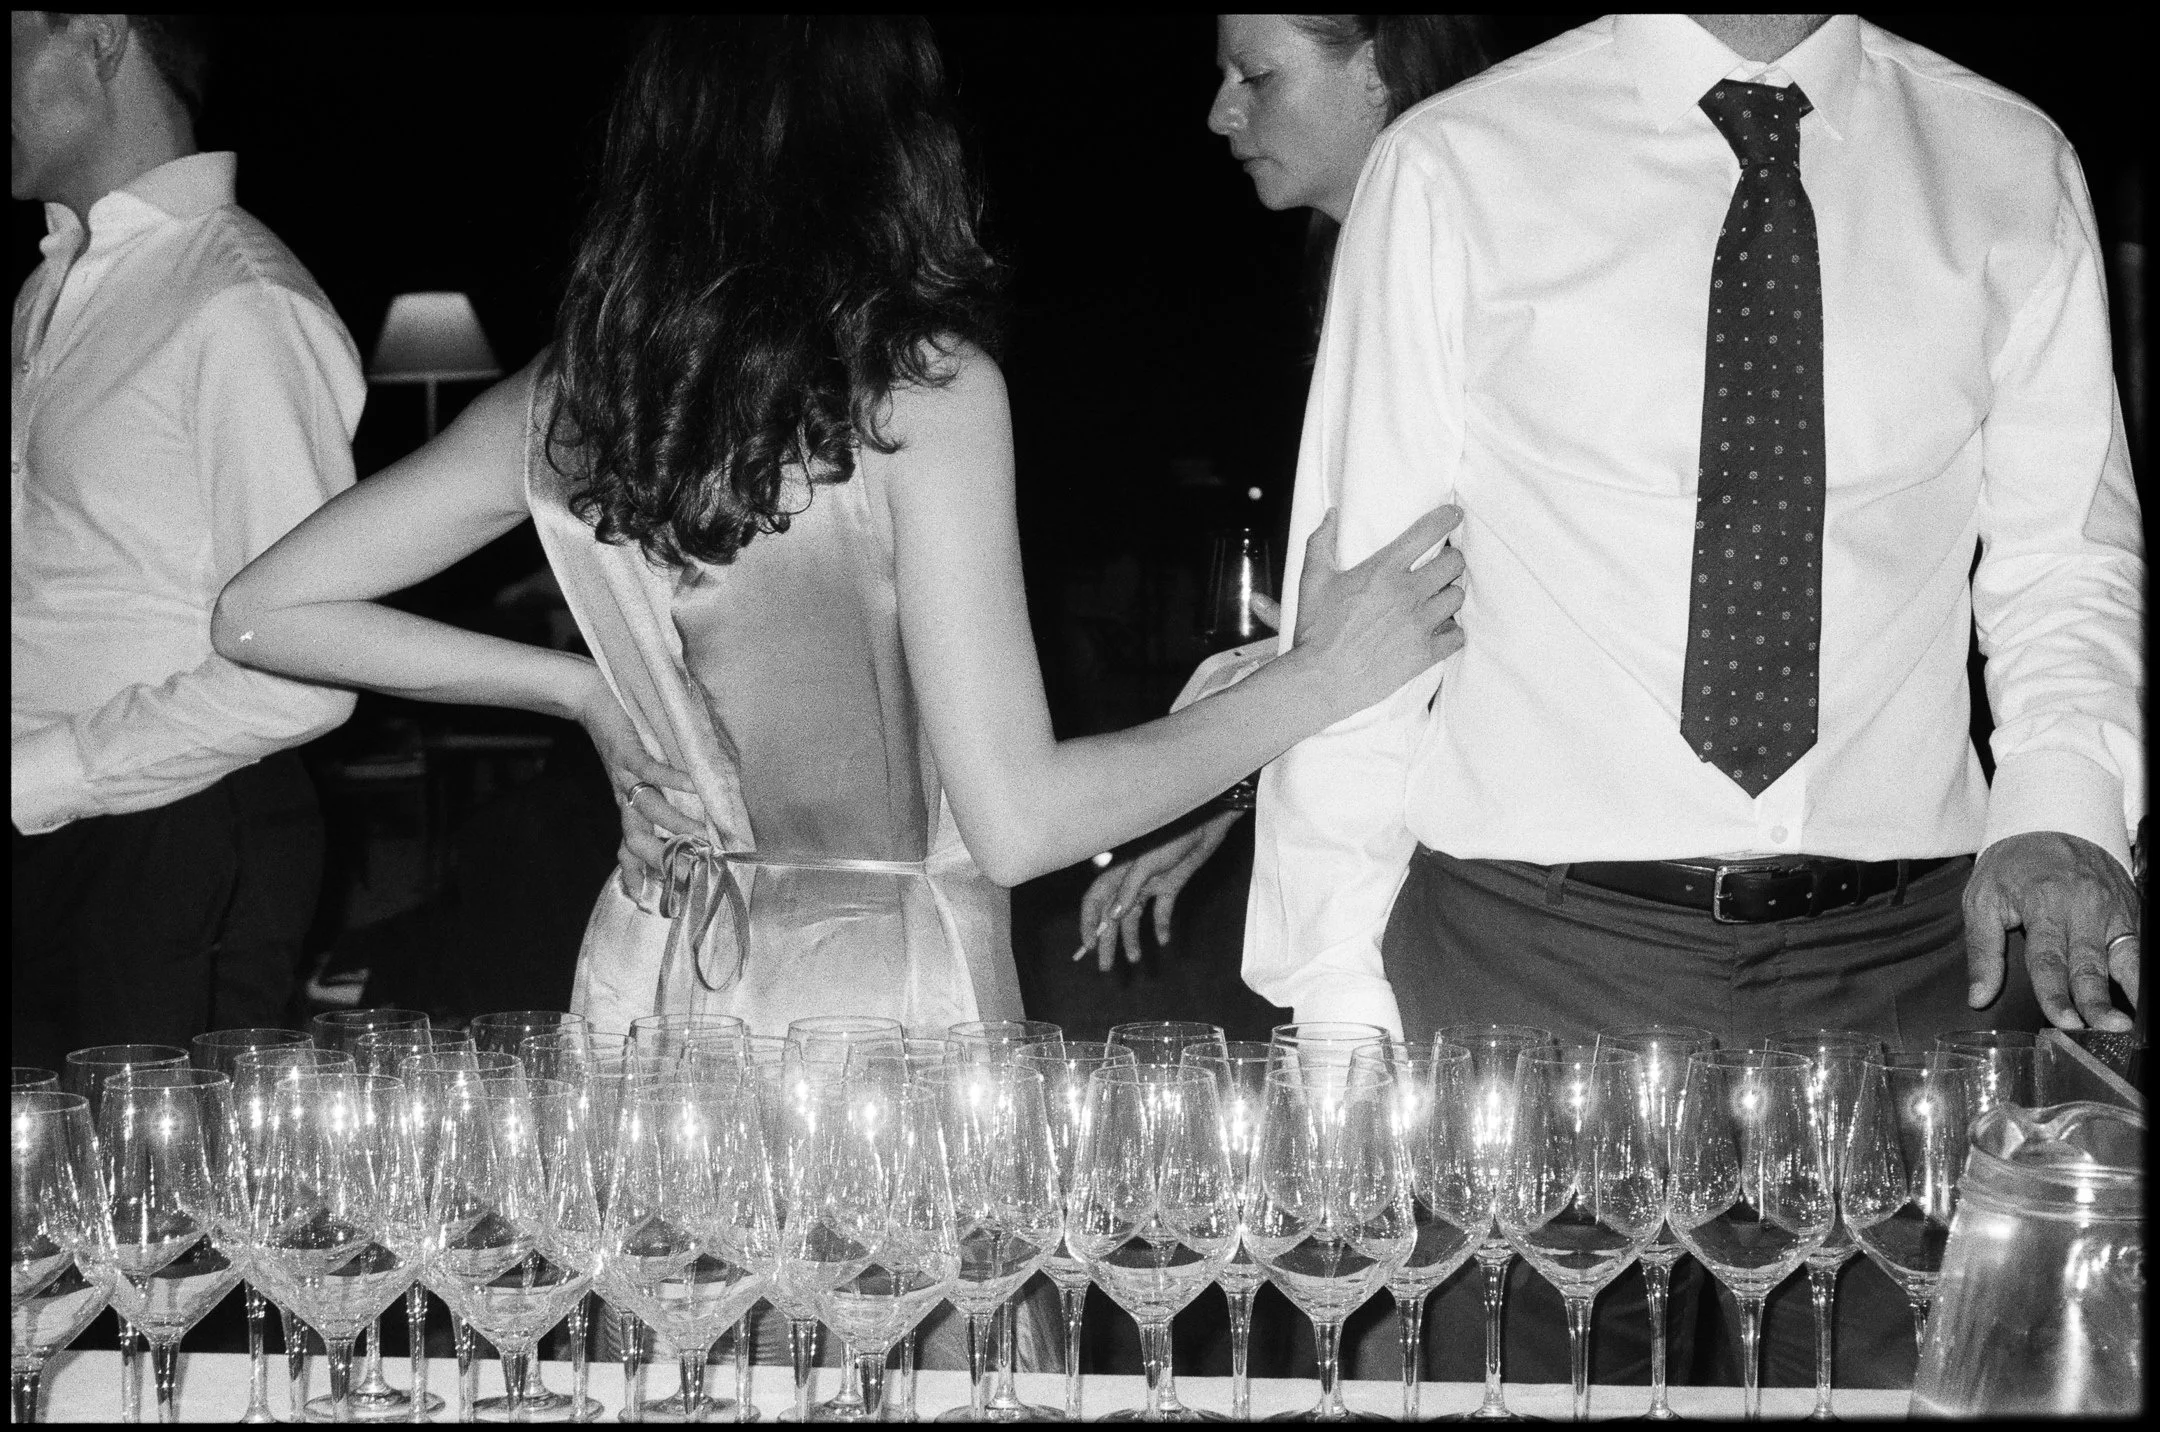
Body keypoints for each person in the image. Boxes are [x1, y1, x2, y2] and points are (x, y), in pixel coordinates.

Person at [212, 13, 1464, 1367]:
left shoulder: (583, 392)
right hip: (890, 1017)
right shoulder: (916, 395)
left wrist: (580, 687)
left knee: (707, 1364)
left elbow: (262, 613)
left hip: (679, 985)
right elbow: (1022, 821)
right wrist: (1317, 680)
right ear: (889, 143)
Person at [1253, 9, 2142, 1394]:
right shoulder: (1457, 162)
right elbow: (1361, 616)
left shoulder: (2007, 157)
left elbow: (2062, 554)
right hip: (1524, 974)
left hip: (1906, 978)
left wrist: (2066, 806)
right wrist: (1332, 1014)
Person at [1078, 13, 1495, 971]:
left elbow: (1455, 611)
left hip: (1477, 868)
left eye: (1257, 76)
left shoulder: (1491, 255)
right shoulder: (1344, 261)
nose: (1222, 114)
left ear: (1381, 71)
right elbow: (1379, 614)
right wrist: (1232, 785)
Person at [11, 13, 360, 1071]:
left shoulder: (238, 298)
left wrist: (37, 775)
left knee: (161, 1230)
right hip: (59, 825)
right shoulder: (54, 286)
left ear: (102, 33)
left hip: (178, 836)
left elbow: (313, 672)